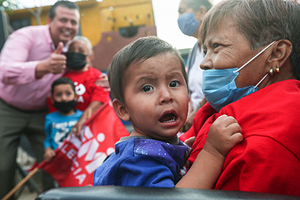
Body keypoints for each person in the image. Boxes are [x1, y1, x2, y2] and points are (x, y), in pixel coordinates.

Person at [179, 0, 300, 196]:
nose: (204, 63)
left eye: (217, 47)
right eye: (204, 51)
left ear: (276, 54)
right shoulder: (217, 110)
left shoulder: (266, 143)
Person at [93, 36, 243, 188]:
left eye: (174, 83)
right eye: (147, 88)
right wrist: (212, 153)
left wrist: (183, 152)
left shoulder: (158, 145)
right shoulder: (137, 162)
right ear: (123, 109)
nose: (166, 96)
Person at [0, 1, 80, 198]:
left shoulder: (75, 48)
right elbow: (3, 70)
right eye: (64, 20)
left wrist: (102, 80)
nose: (69, 26)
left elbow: (85, 76)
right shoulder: (25, 36)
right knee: (3, 166)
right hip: (8, 108)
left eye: (73, 22)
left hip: (44, 113)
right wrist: (42, 67)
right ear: (49, 20)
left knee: (52, 164)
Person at [47, 36, 111, 136]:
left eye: (81, 51)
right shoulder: (61, 78)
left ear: (90, 56)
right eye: (72, 50)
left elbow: (98, 102)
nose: (76, 53)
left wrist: (81, 122)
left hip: (94, 129)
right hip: (66, 131)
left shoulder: (97, 76)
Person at [177, 0, 212, 132]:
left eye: (182, 11)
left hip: (209, 121)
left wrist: (196, 114)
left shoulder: (217, 46)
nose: (179, 18)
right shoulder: (194, 51)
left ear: (201, 12)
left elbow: (217, 87)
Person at [44, 77, 83, 163]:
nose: (64, 98)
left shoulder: (82, 117)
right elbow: (47, 139)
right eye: (58, 95)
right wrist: (48, 149)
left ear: (76, 96)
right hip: (59, 161)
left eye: (68, 94)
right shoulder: (49, 118)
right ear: (52, 98)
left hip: (78, 160)